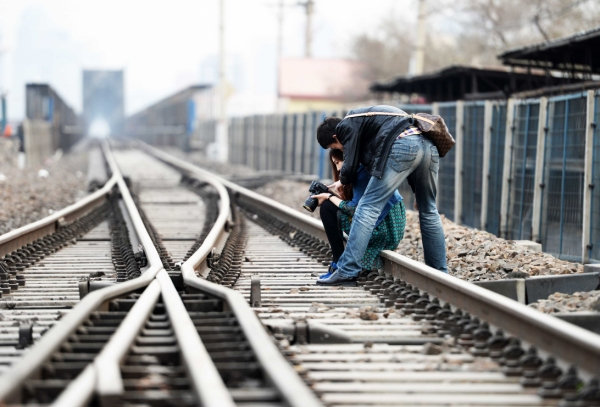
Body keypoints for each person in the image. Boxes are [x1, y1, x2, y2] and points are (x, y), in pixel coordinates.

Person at [315, 105, 448, 286]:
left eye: (335, 146)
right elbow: (412, 150)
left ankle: (346, 271)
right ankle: (440, 275)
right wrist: (417, 191)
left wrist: (343, 179)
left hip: (404, 145)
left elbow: (350, 165)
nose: (340, 149)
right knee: (428, 210)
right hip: (427, 143)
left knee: (367, 207)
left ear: (335, 137)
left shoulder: (346, 126)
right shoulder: (372, 119)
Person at [312, 149, 406, 283]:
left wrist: (329, 196)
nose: (338, 168)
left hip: (384, 230)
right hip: (385, 226)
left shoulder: (363, 173)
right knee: (330, 205)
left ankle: (339, 264)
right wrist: (334, 194)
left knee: (327, 208)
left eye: (338, 162)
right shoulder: (366, 167)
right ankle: (339, 264)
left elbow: (354, 210)